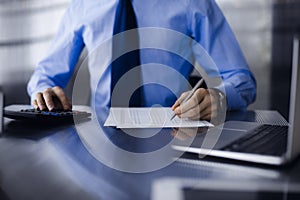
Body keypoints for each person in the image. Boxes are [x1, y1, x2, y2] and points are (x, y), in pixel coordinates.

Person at [27, 0, 256, 121]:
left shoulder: (193, 2)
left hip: (172, 133)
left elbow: (241, 80)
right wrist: (43, 91)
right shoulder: (82, 4)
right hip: (98, 134)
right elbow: (46, 75)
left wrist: (219, 99)